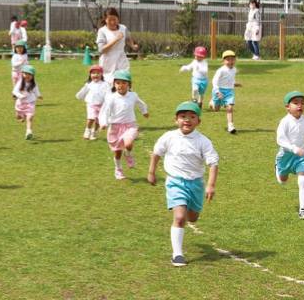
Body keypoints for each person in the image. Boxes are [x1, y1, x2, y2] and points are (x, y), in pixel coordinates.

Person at [147, 101, 219, 267]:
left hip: (196, 184)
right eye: (183, 116)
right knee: (179, 217)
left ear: (198, 121)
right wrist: (151, 172)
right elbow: (157, 153)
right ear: (176, 120)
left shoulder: (203, 141)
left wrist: (210, 185)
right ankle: (177, 254)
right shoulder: (169, 137)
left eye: (192, 117)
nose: (187, 120)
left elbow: (213, 163)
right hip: (175, 182)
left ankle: (188, 210)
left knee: (192, 218)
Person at [98, 68, 149, 180]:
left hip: (130, 125)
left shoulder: (133, 95)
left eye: (124, 83)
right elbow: (105, 111)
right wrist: (103, 122)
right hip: (115, 127)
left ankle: (128, 154)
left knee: (128, 143)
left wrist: (144, 112)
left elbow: (141, 104)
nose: (121, 85)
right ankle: (118, 170)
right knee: (117, 152)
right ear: (114, 84)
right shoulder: (111, 98)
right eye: (118, 83)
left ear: (129, 84)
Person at [275, 91, 304, 219]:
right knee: (283, 180)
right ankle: (278, 168)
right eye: (296, 103)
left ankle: (303, 210)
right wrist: (294, 148)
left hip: (302, 155)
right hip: (286, 156)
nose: (300, 105)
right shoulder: (285, 122)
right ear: (287, 107)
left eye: (302, 103)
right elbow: (280, 140)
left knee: (303, 179)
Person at [96, 7, 137, 84]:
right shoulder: (102, 31)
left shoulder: (123, 28)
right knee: (109, 83)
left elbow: (127, 38)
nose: (112, 22)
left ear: (118, 18)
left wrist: (132, 45)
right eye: (110, 20)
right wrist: (116, 39)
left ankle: (124, 96)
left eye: (114, 19)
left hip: (121, 59)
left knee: (123, 80)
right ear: (105, 20)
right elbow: (101, 49)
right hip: (108, 61)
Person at [211, 50, 241, 134]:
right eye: (228, 59)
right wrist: (217, 92)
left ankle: (230, 125)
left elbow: (231, 79)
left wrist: (235, 84)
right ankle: (212, 103)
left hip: (229, 92)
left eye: (232, 59)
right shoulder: (221, 70)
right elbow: (214, 81)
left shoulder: (234, 69)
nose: (230, 61)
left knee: (230, 107)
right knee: (216, 109)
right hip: (219, 90)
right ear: (223, 61)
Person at [75, 64, 108, 140]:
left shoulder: (105, 84)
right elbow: (83, 91)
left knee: (98, 120)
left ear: (101, 74)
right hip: (91, 104)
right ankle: (87, 131)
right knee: (91, 118)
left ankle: (94, 132)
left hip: (102, 105)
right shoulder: (89, 84)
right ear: (90, 75)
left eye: (98, 73)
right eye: (93, 73)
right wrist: (79, 96)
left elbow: (108, 94)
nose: (95, 75)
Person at [12, 65, 42, 140]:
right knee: (18, 117)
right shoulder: (20, 82)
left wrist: (38, 95)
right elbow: (14, 91)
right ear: (22, 74)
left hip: (30, 103)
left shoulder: (34, 83)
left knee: (30, 117)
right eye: (25, 74)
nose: (27, 76)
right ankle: (22, 116)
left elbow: (36, 90)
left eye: (29, 74)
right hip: (20, 103)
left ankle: (29, 132)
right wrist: (20, 96)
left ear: (32, 75)